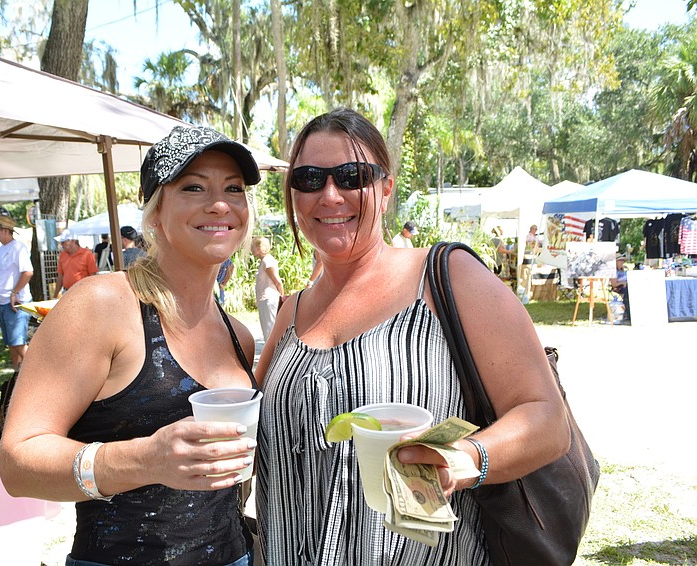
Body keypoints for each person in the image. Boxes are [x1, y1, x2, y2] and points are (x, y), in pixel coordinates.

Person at [254, 108, 569, 565]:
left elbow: (547, 420)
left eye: (352, 176)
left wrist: (464, 459)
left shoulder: (448, 279)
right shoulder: (291, 312)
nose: (330, 195)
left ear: (385, 189)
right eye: (309, 179)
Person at [0, 125, 261, 565]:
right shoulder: (102, 305)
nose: (220, 204)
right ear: (155, 213)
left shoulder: (239, 336)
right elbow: (17, 463)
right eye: (194, 187)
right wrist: (146, 460)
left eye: (233, 189)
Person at [0, 214, 33, 370]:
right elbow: (2, 274)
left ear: (4, 230)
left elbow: (28, 272)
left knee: (18, 342)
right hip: (4, 301)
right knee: (12, 343)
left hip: (16, 302)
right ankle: (17, 373)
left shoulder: (18, 248)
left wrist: (14, 293)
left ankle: (34, 373)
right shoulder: (2, 249)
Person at [251, 235, 284, 342]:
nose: (251, 249)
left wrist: (282, 298)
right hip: (264, 300)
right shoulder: (264, 261)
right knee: (267, 330)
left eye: (253, 246)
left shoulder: (267, 261)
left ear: (260, 247)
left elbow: (277, 281)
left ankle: (273, 351)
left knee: (269, 330)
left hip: (269, 299)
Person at [54, 230, 97, 298]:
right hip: (67, 292)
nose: (61, 244)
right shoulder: (62, 255)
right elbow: (60, 276)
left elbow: (93, 276)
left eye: (63, 242)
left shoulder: (87, 254)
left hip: (83, 292)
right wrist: (55, 295)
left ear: (73, 241)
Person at [611, 254, 630, 323]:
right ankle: (628, 313)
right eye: (620, 261)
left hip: (627, 286)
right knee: (628, 292)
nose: (622, 262)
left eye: (622, 261)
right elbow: (614, 284)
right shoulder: (613, 272)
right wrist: (622, 283)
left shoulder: (623, 270)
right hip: (619, 288)